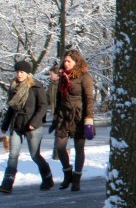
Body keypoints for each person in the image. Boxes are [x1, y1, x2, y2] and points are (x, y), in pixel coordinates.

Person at [0, 60, 54, 193]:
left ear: (27, 73)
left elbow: (43, 106)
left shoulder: (36, 87)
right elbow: (12, 108)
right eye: (17, 71)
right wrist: (5, 124)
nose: (19, 74)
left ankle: (48, 179)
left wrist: (34, 123)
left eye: (22, 72)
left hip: (32, 126)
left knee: (35, 155)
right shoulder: (14, 87)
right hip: (17, 125)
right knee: (13, 155)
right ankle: (7, 184)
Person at [53, 49, 95, 192]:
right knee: (59, 146)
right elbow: (58, 98)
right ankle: (67, 174)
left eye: (68, 61)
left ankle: (76, 179)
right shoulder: (62, 77)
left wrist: (89, 119)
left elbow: (89, 99)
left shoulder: (85, 77)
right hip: (63, 117)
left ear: (76, 62)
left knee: (79, 148)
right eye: (64, 61)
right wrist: (55, 117)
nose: (65, 63)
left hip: (79, 117)